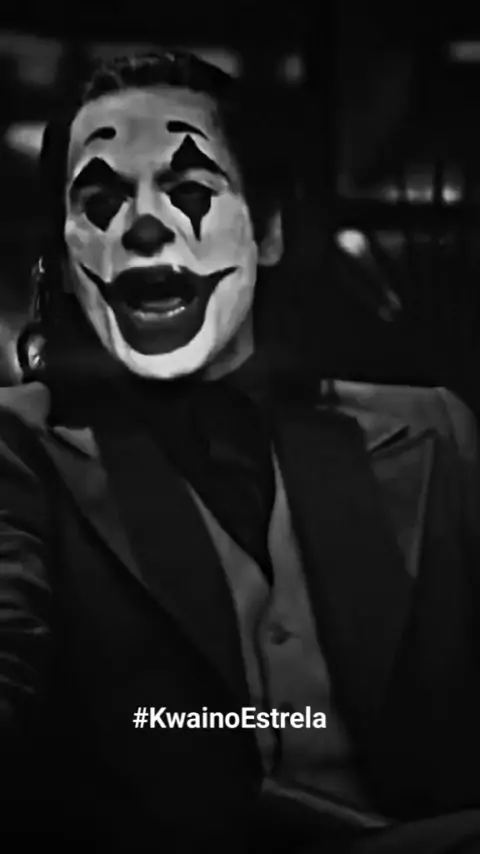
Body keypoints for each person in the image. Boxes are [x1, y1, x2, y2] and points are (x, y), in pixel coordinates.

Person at [0, 49, 479, 852]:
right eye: (99, 200)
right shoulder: (19, 445)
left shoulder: (434, 433)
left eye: (190, 191)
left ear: (269, 231)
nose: (142, 225)